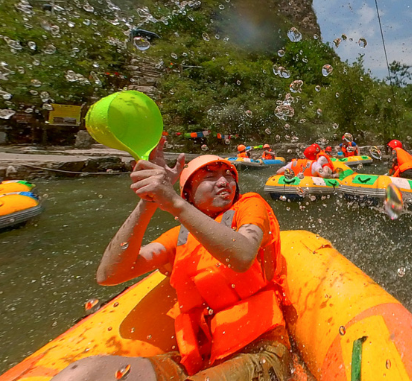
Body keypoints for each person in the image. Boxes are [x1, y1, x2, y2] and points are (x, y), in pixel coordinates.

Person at [52, 140, 291, 381]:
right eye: (210, 176)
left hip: (258, 352)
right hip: (199, 360)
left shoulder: (250, 206)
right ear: (188, 193)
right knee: (81, 374)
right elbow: (109, 275)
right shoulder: (179, 238)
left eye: (228, 175)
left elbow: (242, 255)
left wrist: (173, 202)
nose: (224, 182)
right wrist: (149, 200)